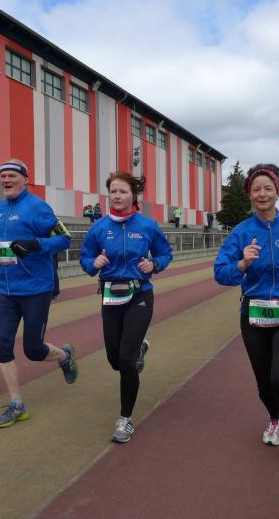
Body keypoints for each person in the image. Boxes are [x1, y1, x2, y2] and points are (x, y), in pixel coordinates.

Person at [213, 164, 279, 457]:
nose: (262, 194)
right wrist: (242, 264)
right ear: (250, 194)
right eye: (256, 189)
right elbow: (220, 273)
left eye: (268, 188)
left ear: (278, 192)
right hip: (253, 318)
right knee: (264, 385)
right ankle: (274, 419)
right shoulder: (241, 232)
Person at [0, 159, 78, 428]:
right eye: (3, 176)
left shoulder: (38, 207)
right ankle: (17, 405)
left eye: (12, 175)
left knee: (33, 350)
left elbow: (65, 238)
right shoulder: (1, 208)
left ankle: (65, 356)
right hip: (7, 290)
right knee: (2, 344)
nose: (6, 180)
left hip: (36, 289)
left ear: (25, 179)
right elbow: (3, 244)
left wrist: (35, 244)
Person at [80, 171, 173, 443]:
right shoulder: (99, 227)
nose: (117, 196)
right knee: (114, 359)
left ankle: (125, 418)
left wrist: (154, 264)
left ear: (133, 195)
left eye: (122, 191)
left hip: (139, 295)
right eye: (113, 192)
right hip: (110, 296)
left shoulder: (147, 225)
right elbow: (86, 257)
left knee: (126, 359)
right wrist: (93, 263)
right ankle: (139, 349)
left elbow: (165, 253)